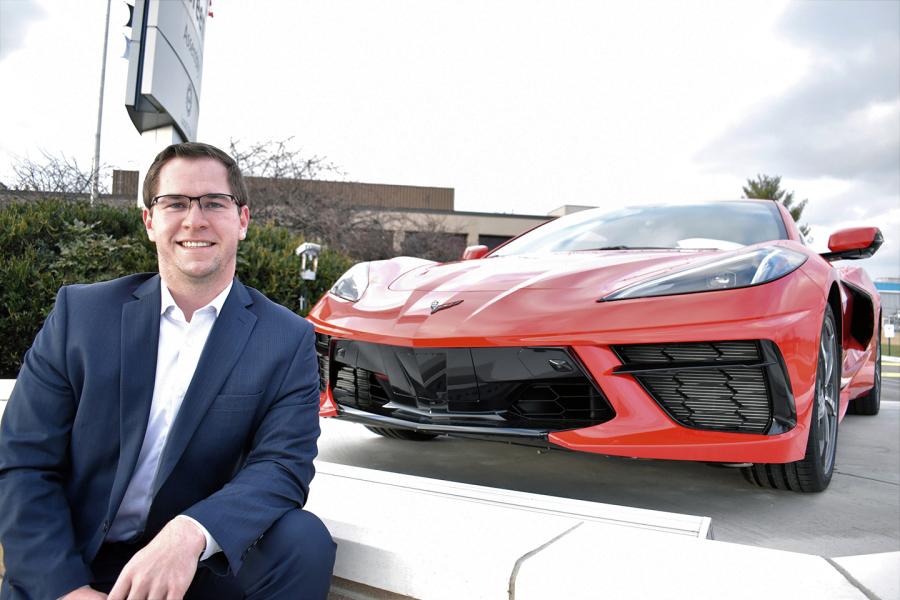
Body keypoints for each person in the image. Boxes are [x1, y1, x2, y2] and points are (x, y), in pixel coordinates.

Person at [0, 142, 336, 599]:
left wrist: (192, 531)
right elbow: (23, 461)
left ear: (242, 220)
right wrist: (66, 590)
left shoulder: (285, 338)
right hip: (71, 562)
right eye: (174, 202)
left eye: (214, 203)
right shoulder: (81, 315)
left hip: (190, 568)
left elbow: (282, 466)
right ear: (149, 221)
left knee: (303, 540)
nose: (194, 219)